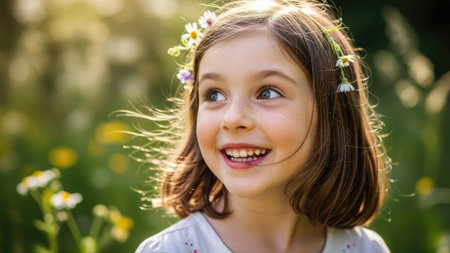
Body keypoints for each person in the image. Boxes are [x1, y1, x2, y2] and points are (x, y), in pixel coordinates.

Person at [134, 0, 391, 252]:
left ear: (331, 112)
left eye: (267, 93)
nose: (232, 119)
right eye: (214, 95)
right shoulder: (171, 249)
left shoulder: (364, 248)